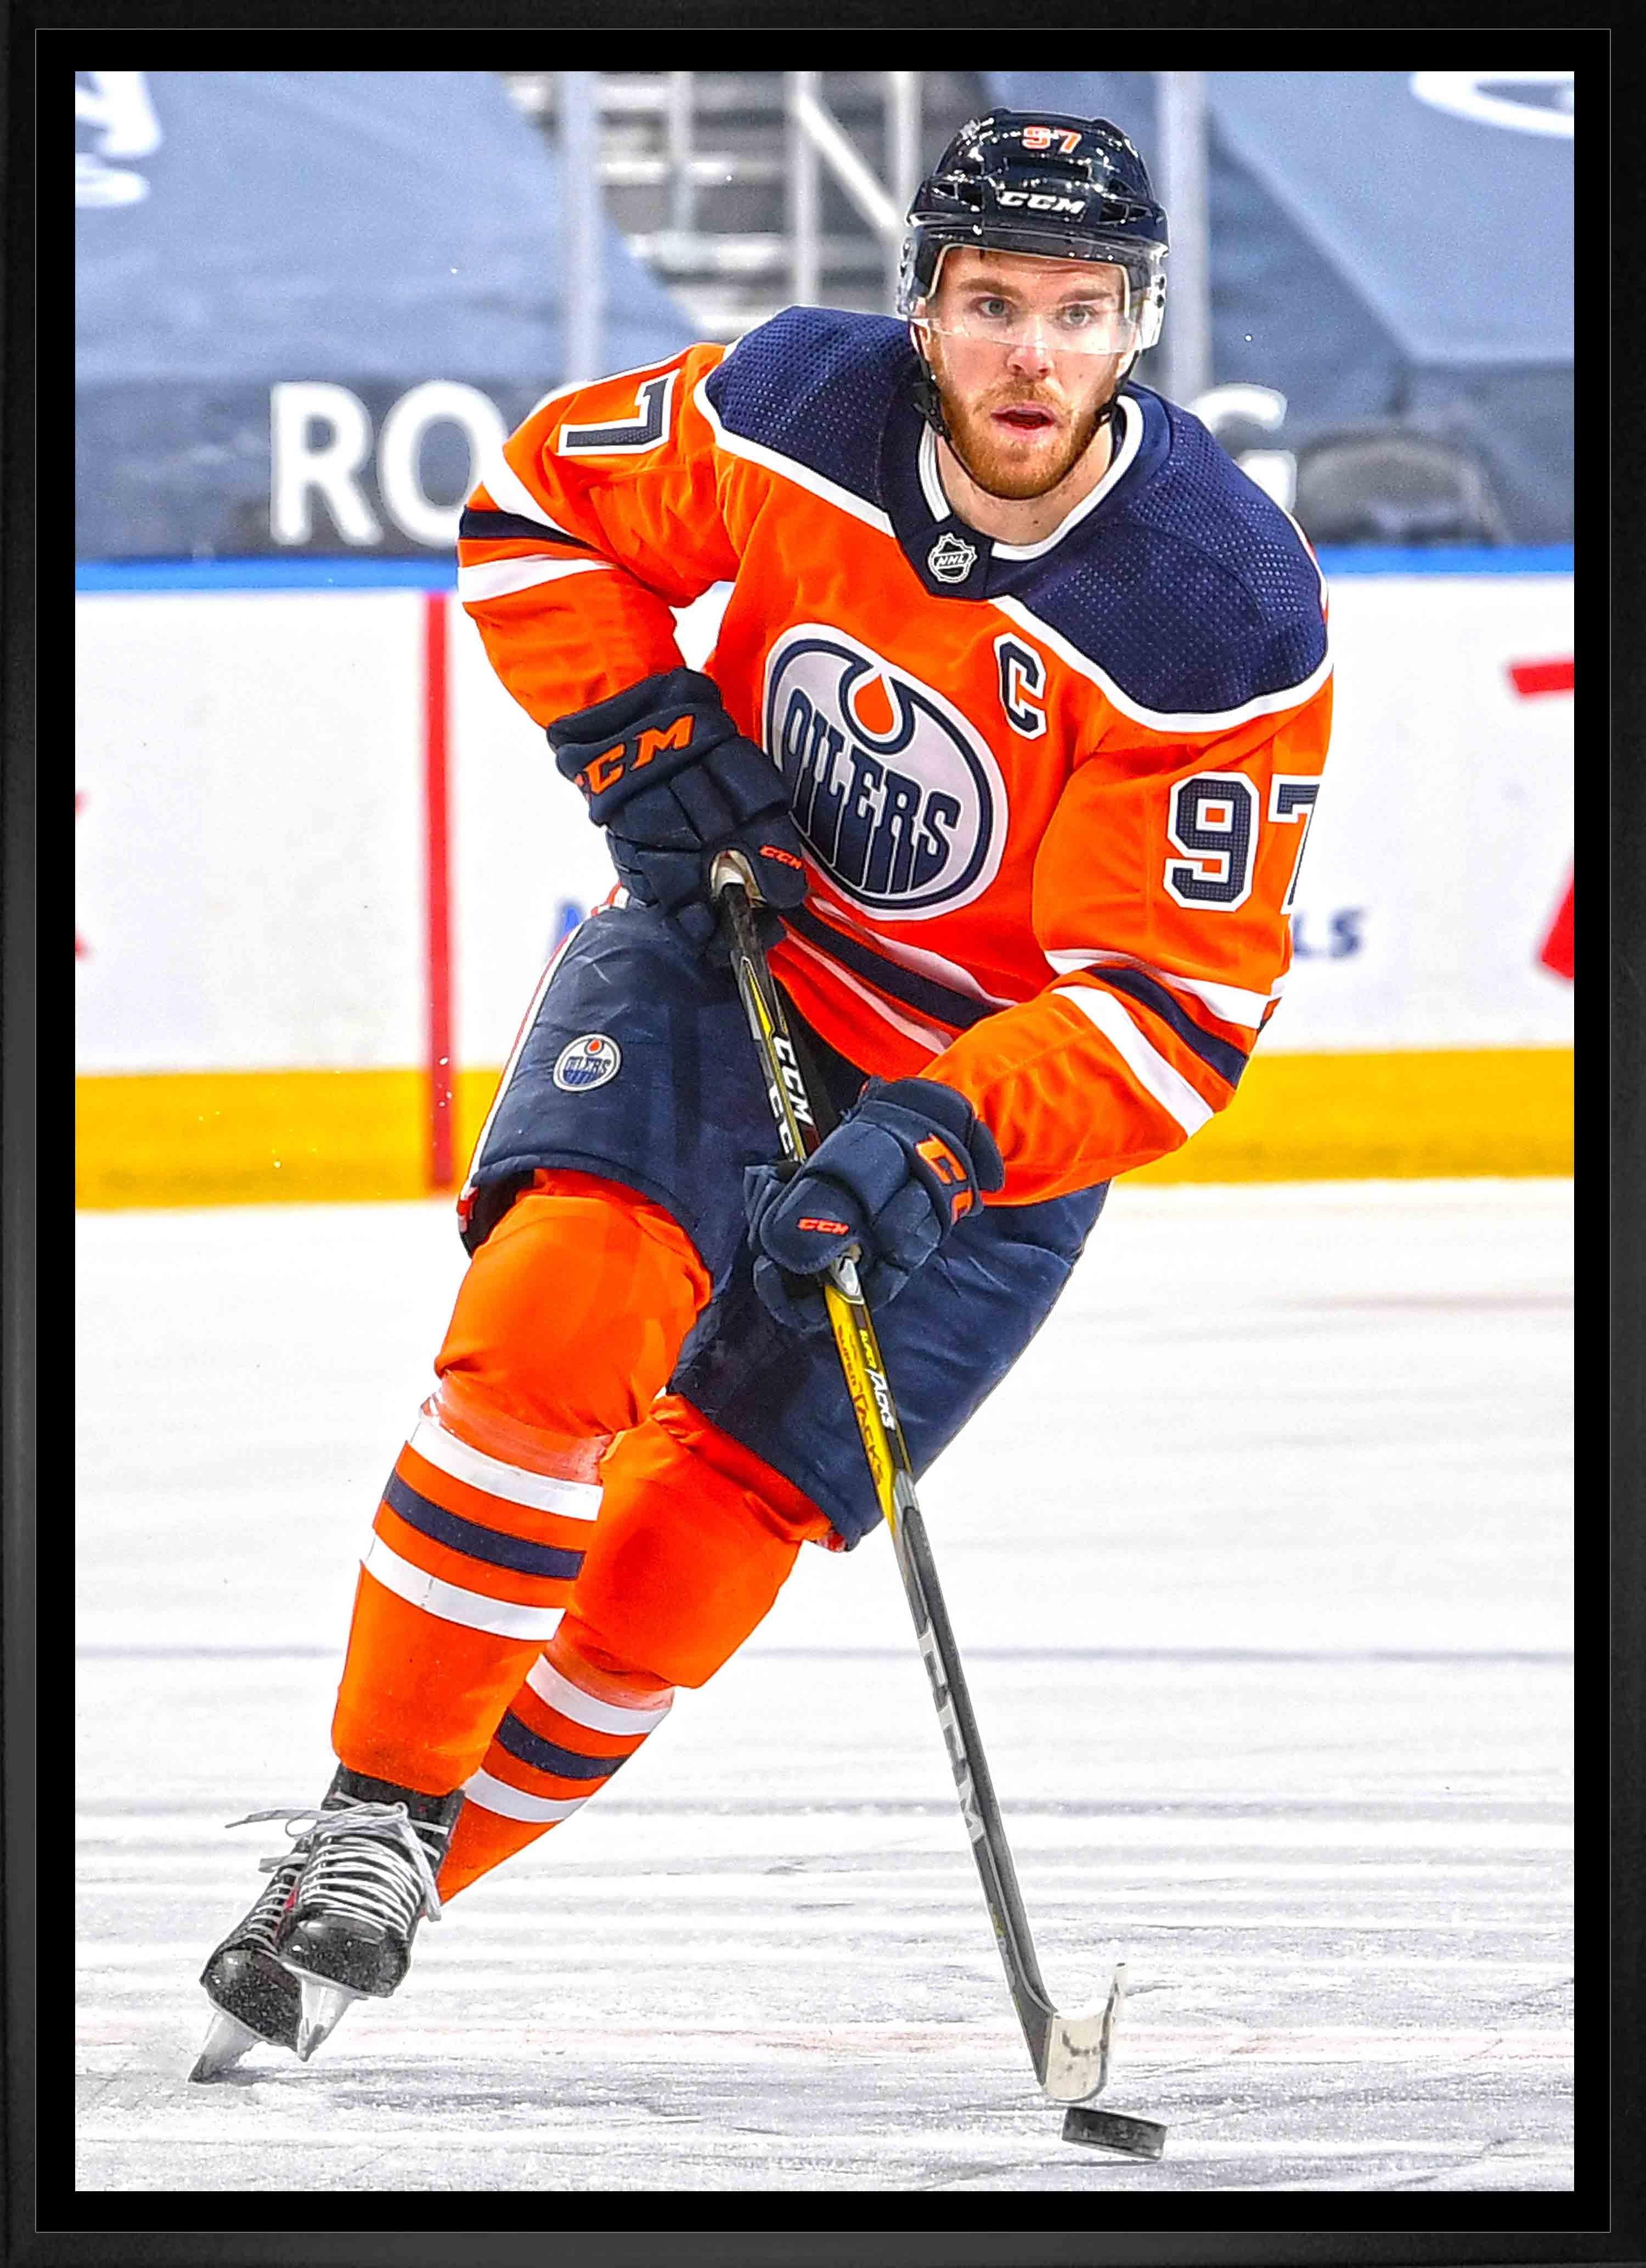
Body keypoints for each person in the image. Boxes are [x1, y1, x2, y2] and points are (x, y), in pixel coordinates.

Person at [192, 109, 1332, 2080]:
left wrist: (939, 1137)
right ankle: (371, 1807)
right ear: (926, 308)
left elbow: (1173, 1010)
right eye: (990, 305)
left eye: (1079, 311)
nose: (1030, 358)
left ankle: (379, 1892)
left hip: (980, 1099)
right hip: (739, 960)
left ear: (1140, 324)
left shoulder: (1217, 602)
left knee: (680, 1569)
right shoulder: (800, 398)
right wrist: (639, 736)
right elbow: (545, 509)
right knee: (555, 1326)